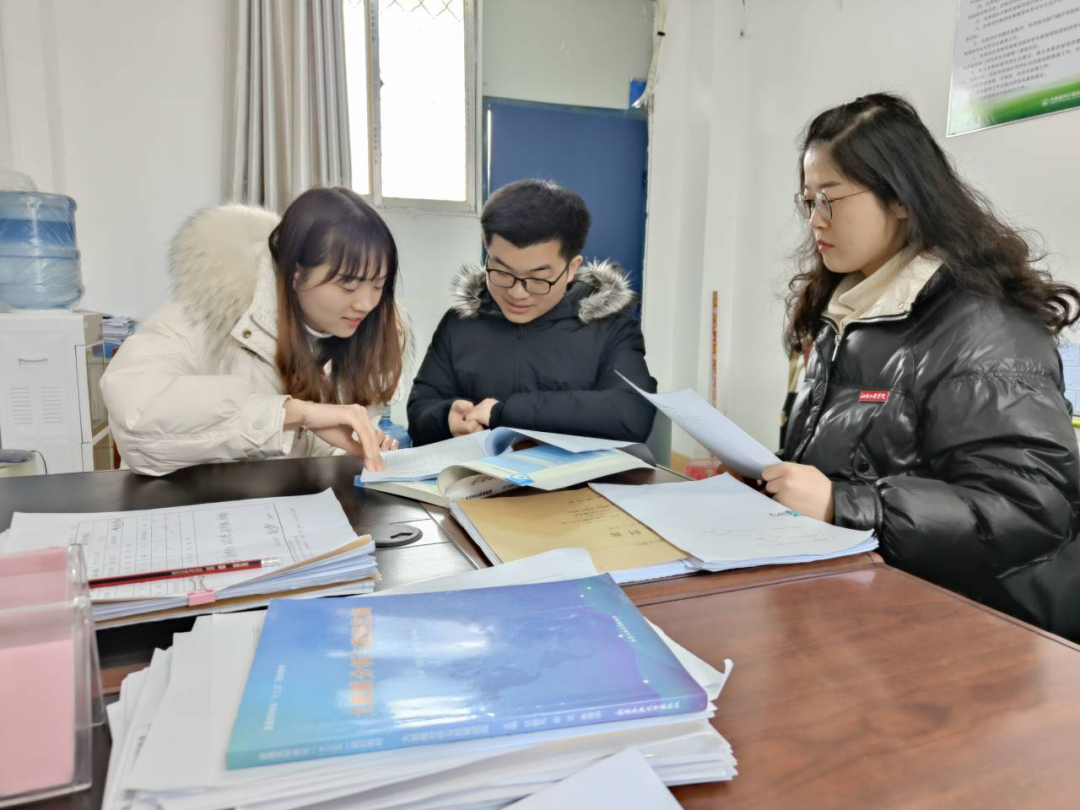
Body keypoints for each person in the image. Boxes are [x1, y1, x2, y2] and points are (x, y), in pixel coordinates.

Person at [766, 93, 1080, 638]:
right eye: (808, 201)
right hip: (869, 604)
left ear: (902, 199)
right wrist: (772, 478)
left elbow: (1029, 510)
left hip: (973, 627)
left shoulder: (983, 331)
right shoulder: (851, 312)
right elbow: (851, 461)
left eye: (830, 200)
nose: (815, 221)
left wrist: (845, 505)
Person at [101, 187, 406, 476]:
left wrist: (358, 449)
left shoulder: (368, 337)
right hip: (190, 504)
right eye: (348, 286)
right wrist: (295, 414)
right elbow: (135, 420)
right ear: (296, 274)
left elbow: (321, 456)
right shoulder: (210, 311)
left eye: (378, 286)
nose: (366, 304)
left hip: (292, 505)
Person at [407, 179, 656, 446]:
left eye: (538, 279)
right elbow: (420, 412)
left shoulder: (610, 328)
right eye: (502, 272)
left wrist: (503, 413)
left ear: (571, 268)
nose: (517, 293)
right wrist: (445, 418)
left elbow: (630, 414)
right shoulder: (461, 322)